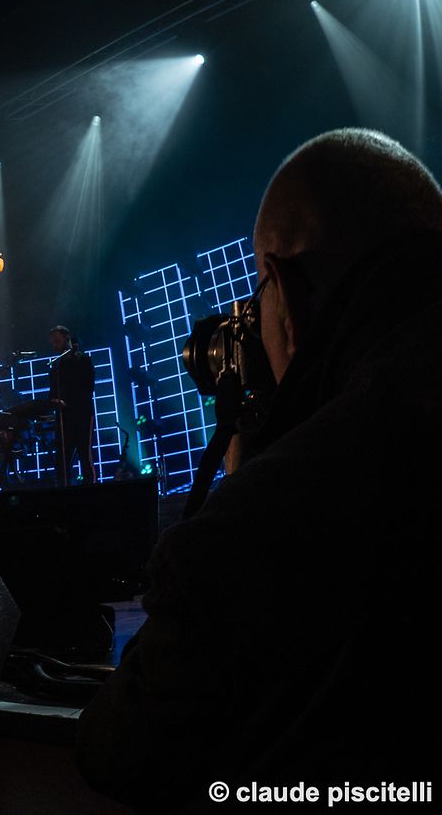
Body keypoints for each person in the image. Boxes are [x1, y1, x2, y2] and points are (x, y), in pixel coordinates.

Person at [76, 129, 442, 811]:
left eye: (258, 293)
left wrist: (254, 459)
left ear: (288, 290)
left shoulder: (282, 505)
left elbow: (119, 747)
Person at [46, 325, 95, 485]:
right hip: (64, 416)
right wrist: (53, 401)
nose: (55, 346)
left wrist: (68, 400)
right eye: (53, 343)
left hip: (82, 413)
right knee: (62, 458)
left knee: (84, 455)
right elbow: (53, 391)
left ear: (67, 339)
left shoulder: (83, 359)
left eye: (58, 342)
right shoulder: (56, 365)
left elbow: (89, 387)